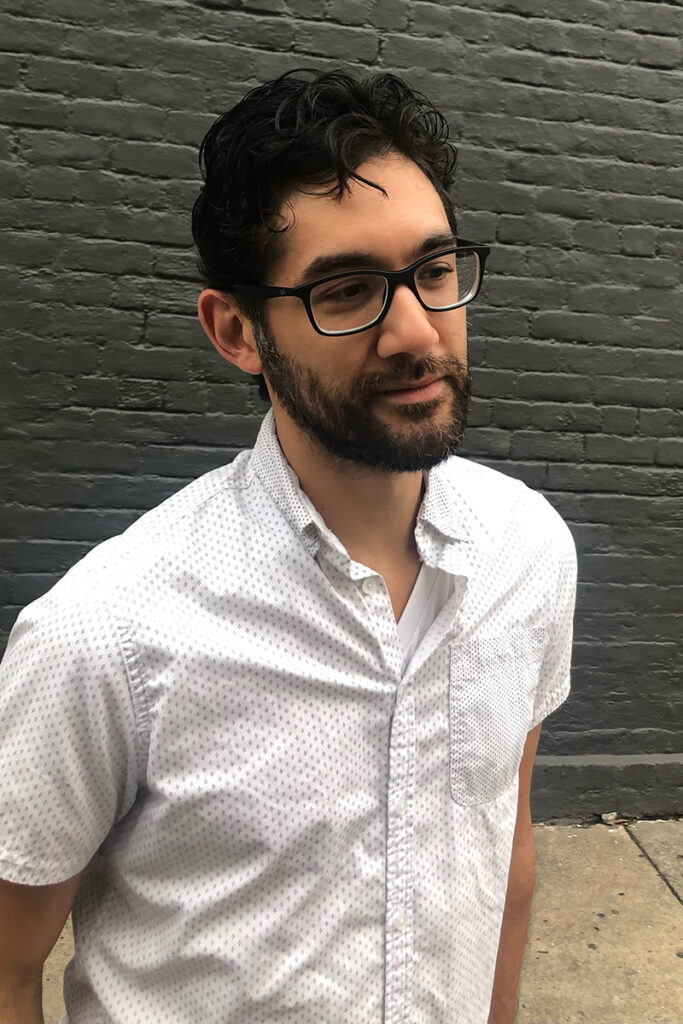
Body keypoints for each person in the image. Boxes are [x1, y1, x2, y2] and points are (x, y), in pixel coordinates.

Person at [0, 68, 577, 1024]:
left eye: (435, 271)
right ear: (237, 331)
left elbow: (503, 852)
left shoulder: (529, 553)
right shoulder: (106, 636)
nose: (415, 332)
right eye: (345, 291)